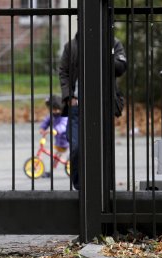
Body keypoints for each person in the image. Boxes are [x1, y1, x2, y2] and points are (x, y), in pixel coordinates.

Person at [59, 33, 126, 190]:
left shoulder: (113, 43)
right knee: (76, 147)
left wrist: (103, 53)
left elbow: (121, 67)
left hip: (102, 105)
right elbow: (63, 71)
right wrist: (69, 97)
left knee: (101, 147)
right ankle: (79, 186)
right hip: (77, 106)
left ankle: (102, 185)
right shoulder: (71, 46)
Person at [40, 95, 69, 178]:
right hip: (59, 142)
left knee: (67, 157)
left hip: (67, 141)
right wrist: (43, 128)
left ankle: (74, 169)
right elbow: (47, 121)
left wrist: (56, 130)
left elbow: (63, 125)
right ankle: (51, 172)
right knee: (56, 157)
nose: (55, 111)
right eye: (53, 109)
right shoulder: (52, 115)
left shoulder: (64, 115)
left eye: (57, 109)